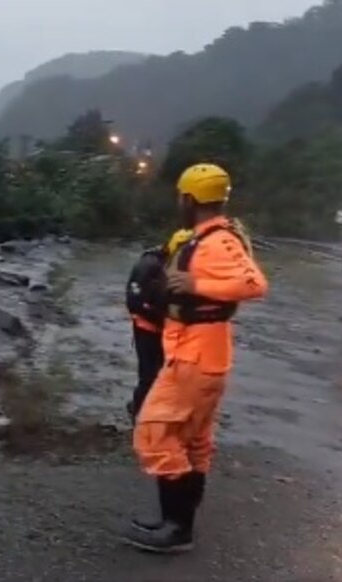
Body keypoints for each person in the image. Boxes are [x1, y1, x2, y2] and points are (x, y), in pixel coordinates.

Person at [123, 163, 269, 553]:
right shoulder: (201, 237)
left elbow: (255, 284)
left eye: (180, 197)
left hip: (196, 357)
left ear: (190, 199)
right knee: (193, 439)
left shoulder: (218, 241)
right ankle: (180, 521)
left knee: (153, 433)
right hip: (201, 353)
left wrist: (196, 283)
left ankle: (177, 526)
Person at [125, 229, 193, 421]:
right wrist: (165, 317)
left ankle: (154, 412)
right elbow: (134, 302)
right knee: (148, 376)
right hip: (146, 327)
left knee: (167, 377)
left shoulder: (182, 269)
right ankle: (137, 416)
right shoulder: (149, 265)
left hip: (167, 329)